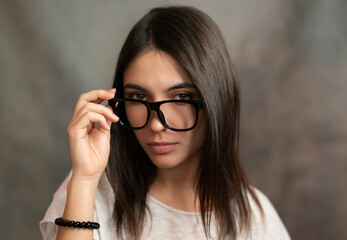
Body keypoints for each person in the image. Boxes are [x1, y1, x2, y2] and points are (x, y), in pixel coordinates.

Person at [40, 5, 291, 240]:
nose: (157, 125)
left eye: (181, 97)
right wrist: (84, 180)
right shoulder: (91, 188)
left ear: (216, 100)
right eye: (139, 97)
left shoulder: (256, 221)